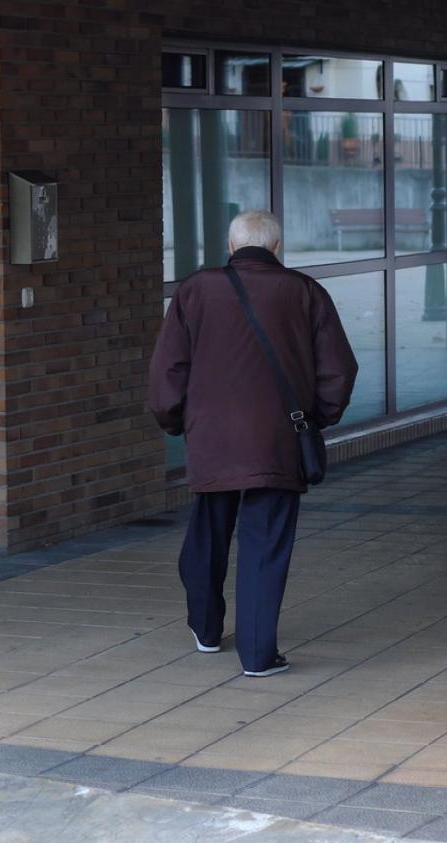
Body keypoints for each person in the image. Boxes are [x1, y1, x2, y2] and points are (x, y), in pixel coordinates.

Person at [148, 210, 358, 677]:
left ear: (231, 246)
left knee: (207, 534)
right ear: (278, 247)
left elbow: (167, 369)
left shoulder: (194, 290)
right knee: (265, 546)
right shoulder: (305, 293)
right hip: (278, 437)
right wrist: (314, 419)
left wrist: (175, 420)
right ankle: (258, 656)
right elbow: (339, 370)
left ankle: (205, 629)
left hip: (211, 436)